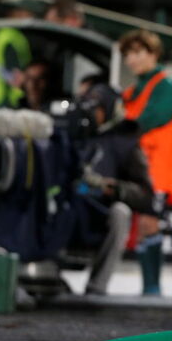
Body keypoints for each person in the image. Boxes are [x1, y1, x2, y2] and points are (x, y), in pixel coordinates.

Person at [119, 29, 172, 295]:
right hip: (140, 167)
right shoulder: (133, 90)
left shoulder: (164, 85)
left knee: (150, 223)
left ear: (153, 53)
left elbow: (150, 119)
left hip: (158, 168)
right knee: (143, 225)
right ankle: (148, 287)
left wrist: (119, 130)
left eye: (138, 52)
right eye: (128, 54)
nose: (132, 59)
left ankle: (152, 287)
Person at [70, 82, 155, 295]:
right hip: (71, 210)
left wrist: (113, 188)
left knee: (120, 213)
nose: (89, 113)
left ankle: (97, 286)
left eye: (96, 108)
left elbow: (146, 195)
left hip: (100, 214)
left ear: (109, 109)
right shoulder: (71, 136)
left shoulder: (125, 143)